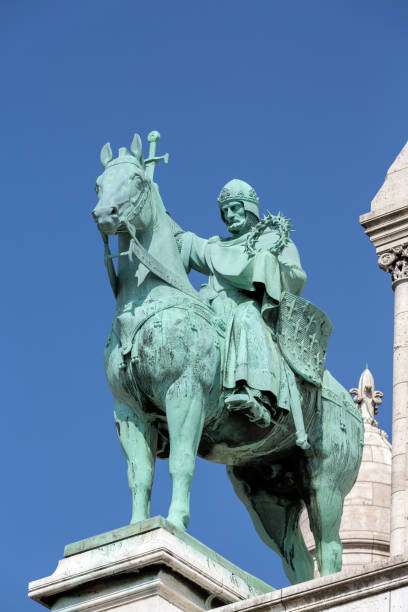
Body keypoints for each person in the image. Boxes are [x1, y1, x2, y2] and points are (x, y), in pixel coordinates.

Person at [175, 179, 309, 446]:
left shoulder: (273, 240)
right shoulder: (217, 248)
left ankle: (257, 394)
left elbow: (296, 279)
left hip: (256, 310)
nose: (230, 217)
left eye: (235, 209)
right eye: (225, 212)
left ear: (250, 209)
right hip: (216, 307)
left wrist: (268, 263)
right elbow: (187, 243)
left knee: (246, 316)